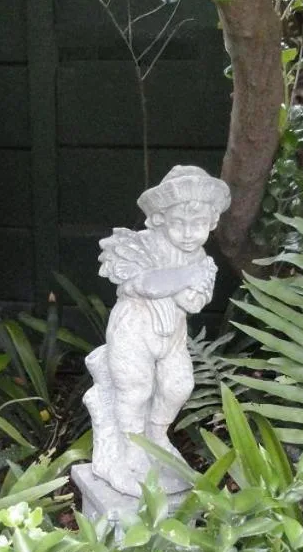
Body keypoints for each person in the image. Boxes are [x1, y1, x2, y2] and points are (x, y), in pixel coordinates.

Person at [83, 165, 229, 495]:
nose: (189, 233)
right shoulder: (141, 245)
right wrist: (186, 278)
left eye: (199, 225)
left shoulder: (202, 257)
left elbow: (193, 304)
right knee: (135, 390)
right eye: (180, 224)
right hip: (133, 329)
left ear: (211, 224)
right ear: (161, 220)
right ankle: (131, 449)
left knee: (179, 385)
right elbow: (146, 284)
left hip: (172, 335)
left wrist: (191, 284)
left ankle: (157, 433)